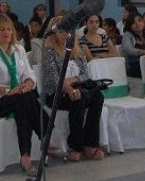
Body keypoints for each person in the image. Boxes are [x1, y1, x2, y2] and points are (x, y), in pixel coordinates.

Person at [0, 15, 45, 174]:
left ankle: (25, 157)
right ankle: (45, 136)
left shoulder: (18, 49)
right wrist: (7, 91)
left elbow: (29, 73)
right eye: (1, 30)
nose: (6, 32)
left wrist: (27, 84)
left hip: (19, 97)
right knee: (24, 99)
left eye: (9, 29)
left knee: (23, 104)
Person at [42, 16, 106, 162]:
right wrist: (68, 88)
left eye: (68, 31)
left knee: (98, 97)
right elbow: (54, 79)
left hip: (77, 86)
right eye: (61, 31)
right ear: (54, 33)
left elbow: (84, 73)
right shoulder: (49, 51)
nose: (65, 34)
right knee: (78, 99)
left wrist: (72, 80)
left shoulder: (77, 49)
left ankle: (91, 144)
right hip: (56, 93)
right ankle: (76, 146)